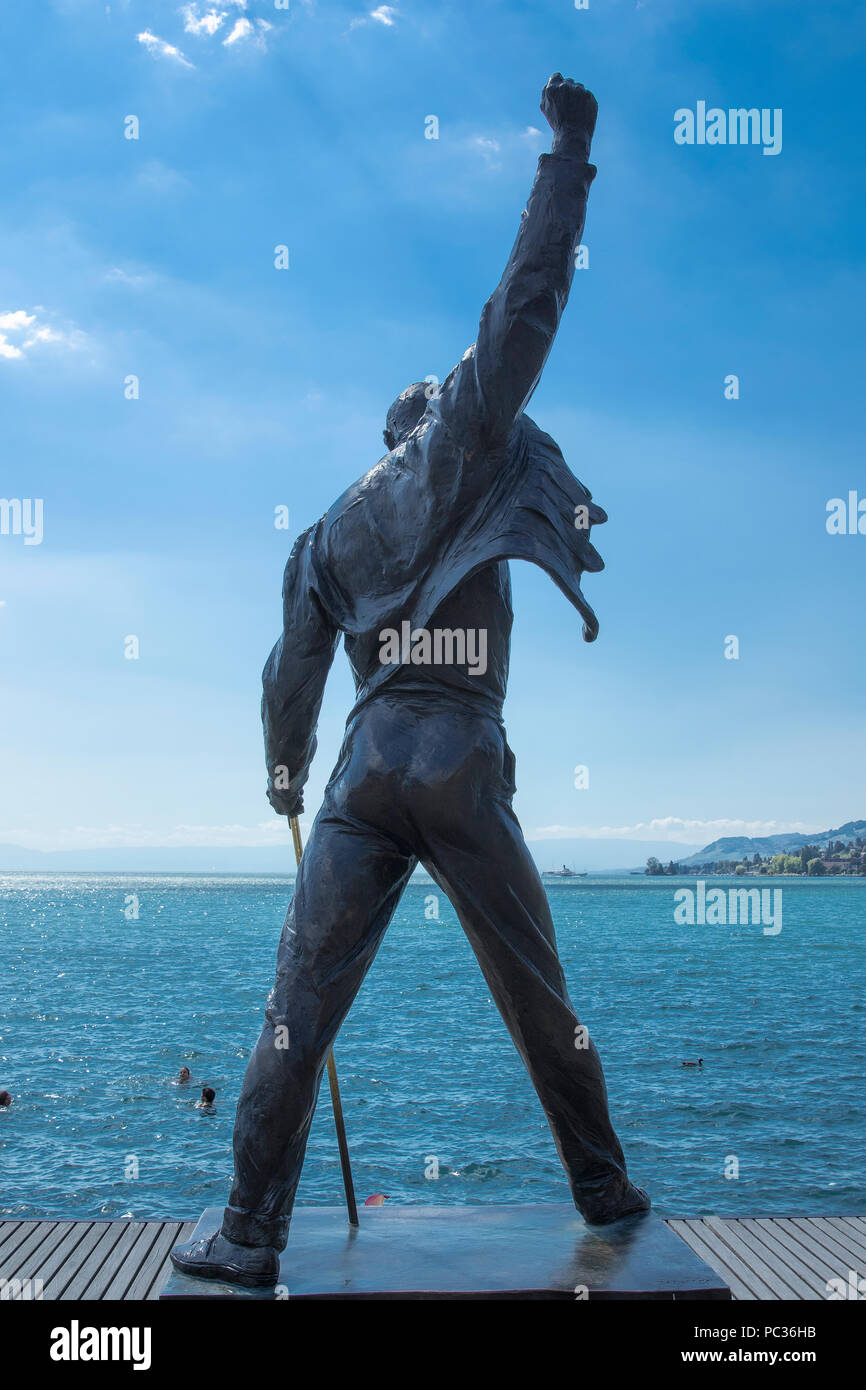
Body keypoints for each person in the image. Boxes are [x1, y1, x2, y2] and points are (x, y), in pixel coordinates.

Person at [172, 74, 648, 1290]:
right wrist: (569, 152)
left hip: (361, 770)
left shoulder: (328, 534)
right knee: (535, 989)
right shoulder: (462, 449)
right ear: (431, 422)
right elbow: (526, 302)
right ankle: (600, 1184)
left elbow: (288, 671)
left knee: (297, 1002)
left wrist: (284, 776)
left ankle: (246, 1232)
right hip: (455, 757)